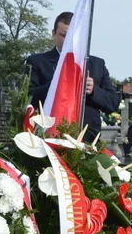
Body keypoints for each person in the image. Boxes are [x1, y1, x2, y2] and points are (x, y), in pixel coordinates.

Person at [26, 12, 120, 142]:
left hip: (87, 138)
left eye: (74, 35)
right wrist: (55, 85)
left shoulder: (97, 64)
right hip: (49, 137)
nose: (69, 40)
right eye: (64, 36)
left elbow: (113, 103)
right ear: (54, 34)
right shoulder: (37, 61)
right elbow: (27, 97)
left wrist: (93, 91)